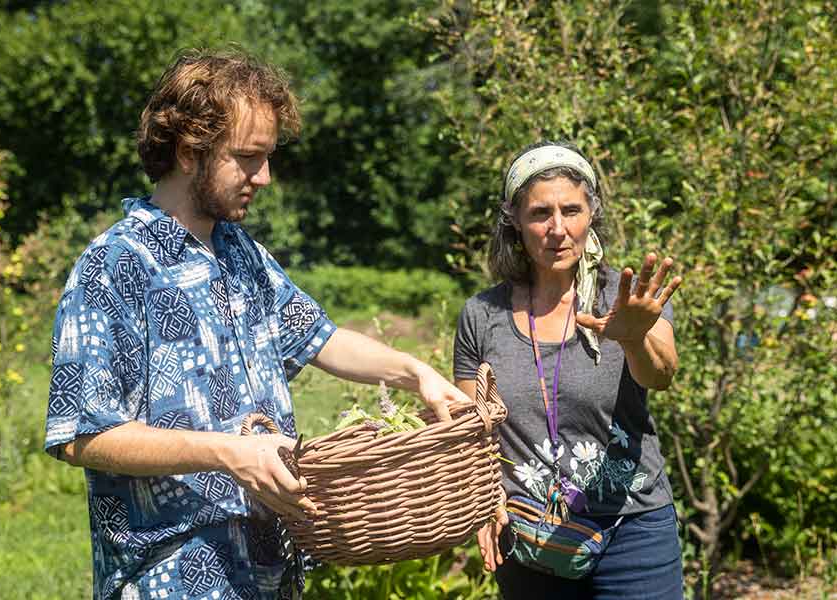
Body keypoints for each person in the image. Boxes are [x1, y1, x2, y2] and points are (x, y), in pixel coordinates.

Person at [44, 47, 468, 600]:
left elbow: (322, 338)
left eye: (267, 157)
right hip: (172, 580)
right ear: (190, 150)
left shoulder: (239, 252)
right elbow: (84, 435)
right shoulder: (115, 266)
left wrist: (416, 374)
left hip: (270, 576)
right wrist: (229, 452)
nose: (264, 177)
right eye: (248, 157)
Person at [453, 141, 684, 599]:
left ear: (591, 215)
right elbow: (470, 430)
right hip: (528, 531)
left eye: (571, 210)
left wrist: (634, 335)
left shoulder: (629, 298)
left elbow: (661, 375)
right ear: (515, 221)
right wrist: (484, 504)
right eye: (540, 213)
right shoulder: (482, 314)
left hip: (632, 525)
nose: (557, 229)